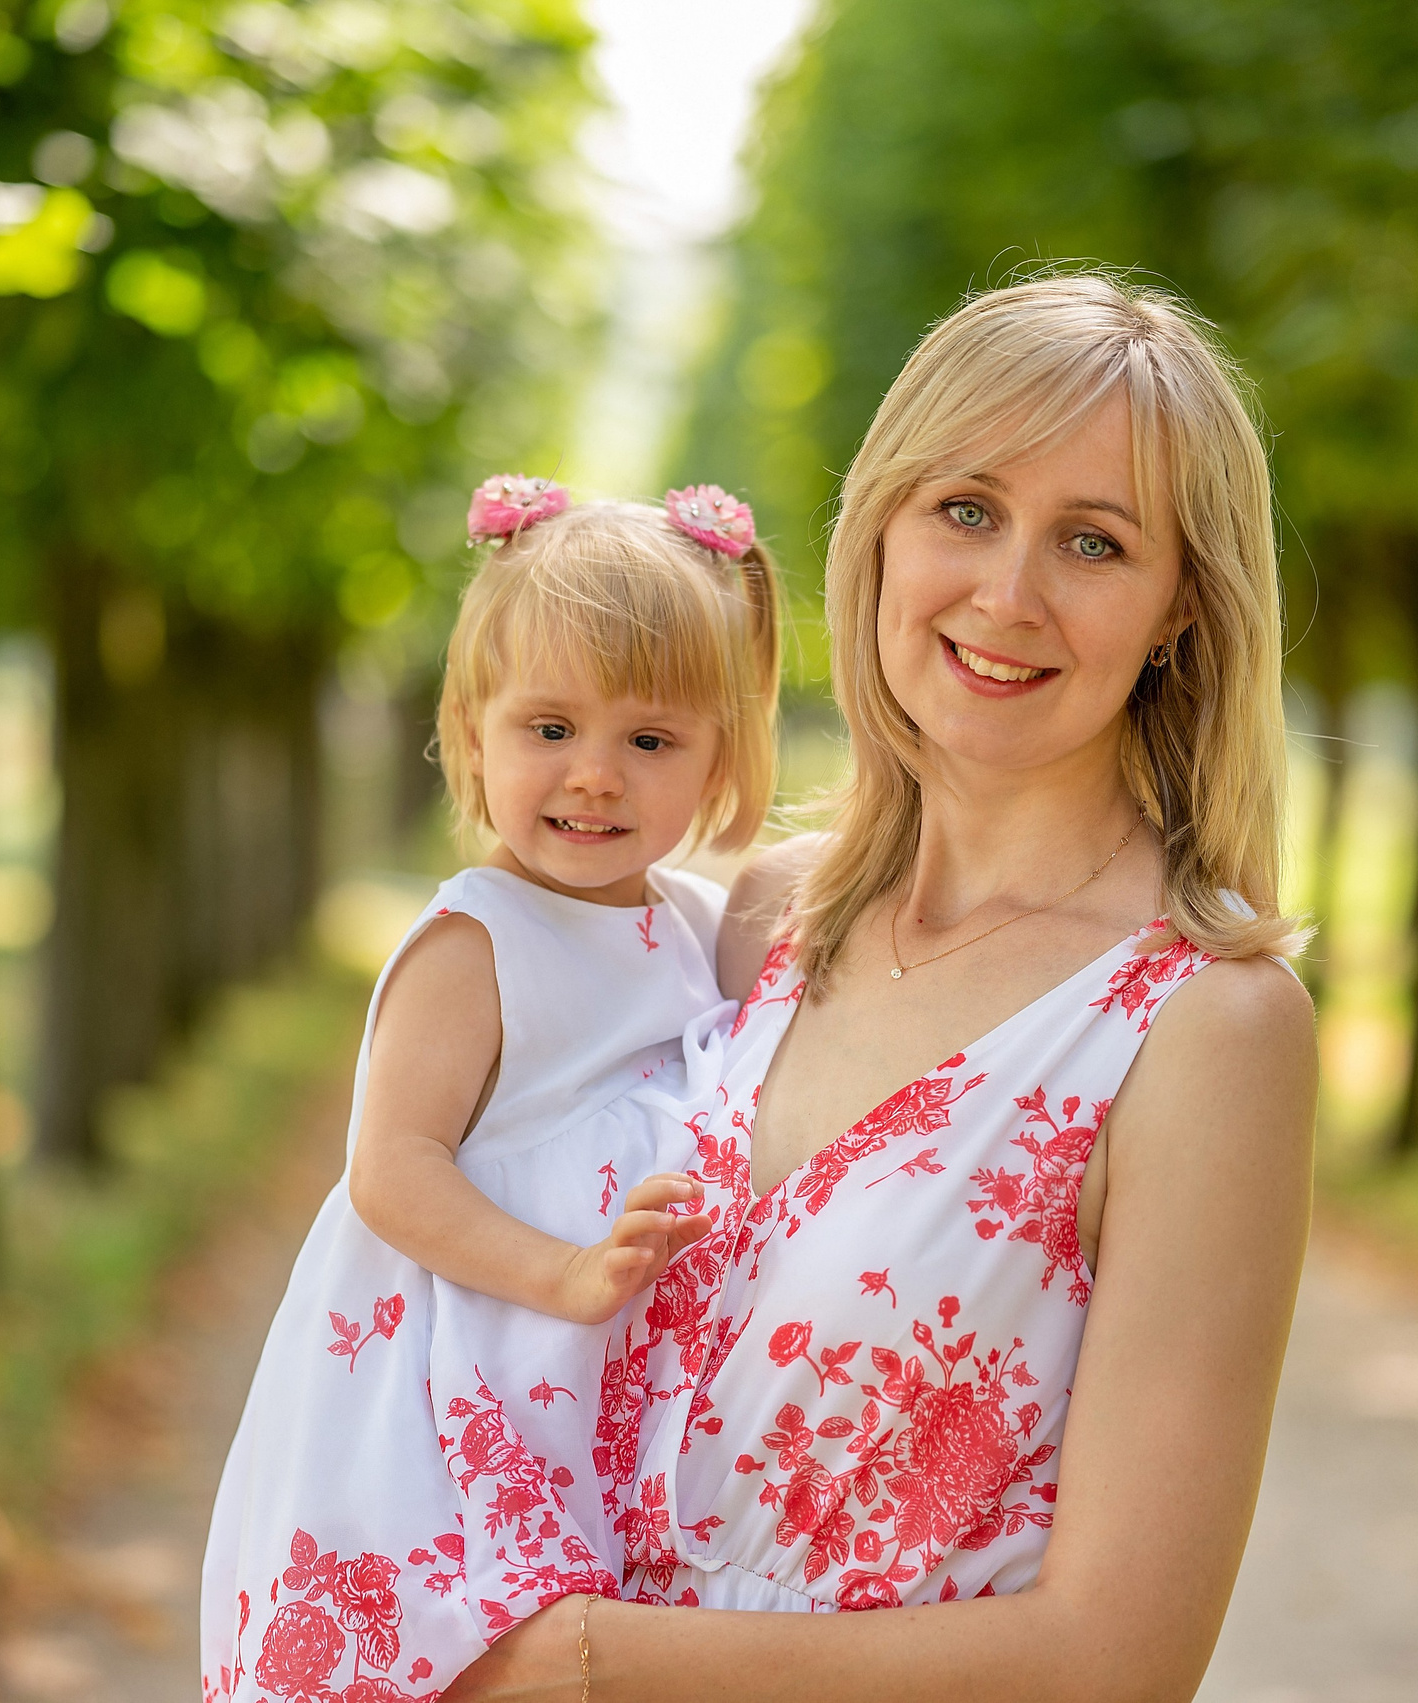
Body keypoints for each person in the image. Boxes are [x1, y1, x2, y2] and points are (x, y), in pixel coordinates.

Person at [446, 274, 1318, 1702]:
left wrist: (591, 1657)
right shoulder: (761, 922)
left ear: (1179, 612)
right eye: (965, 509)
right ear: (882, 534)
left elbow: (1118, 1655)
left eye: (1094, 542)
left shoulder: (1202, 1025)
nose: (1008, 592)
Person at [201, 479, 782, 1703]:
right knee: (435, 1634)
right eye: (550, 729)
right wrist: (564, 1275)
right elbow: (393, 1168)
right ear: (473, 734)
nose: (597, 777)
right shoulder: (477, 938)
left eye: (651, 739)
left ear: (720, 756)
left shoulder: (690, 925)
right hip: (454, 1361)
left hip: (582, 1370)